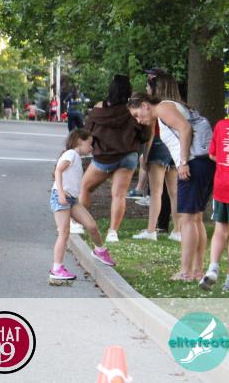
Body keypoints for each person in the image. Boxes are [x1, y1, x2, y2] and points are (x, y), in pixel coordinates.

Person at [128, 91, 214, 282]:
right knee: (196, 219)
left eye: (137, 115)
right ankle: (197, 271)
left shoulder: (163, 108)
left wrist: (183, 162)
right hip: (203, 163)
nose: (139, 120)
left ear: (145, 105)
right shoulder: (166, 109)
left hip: (193, 164)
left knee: (188, 219)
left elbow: (185, 129)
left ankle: (186, 272)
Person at [80, 75, 147, 243]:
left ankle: (79, 223)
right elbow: (144, 135)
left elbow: (87, 130)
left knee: (85, 187)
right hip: (128, 156)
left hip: (104, 157)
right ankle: (113, 232)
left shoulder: (99, 108)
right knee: (119, 195)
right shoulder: (132, 111)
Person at [50, 128, 116, 282]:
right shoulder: (71, 154)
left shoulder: (76, 157)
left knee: (92, 226)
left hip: (72, 199)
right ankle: (56, 268)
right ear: (80, 141)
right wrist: (61, 193)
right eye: (90, 143)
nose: (91, 147)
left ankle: (100, 251)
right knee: (64, 232)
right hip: (61, 197)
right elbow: (58, 171)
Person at [200, 85, 229, 292]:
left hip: (221, 185)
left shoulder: (221, 125)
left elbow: (212, 154)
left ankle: (212, 268)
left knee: (220, 228)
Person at [131, 70, 181, 242]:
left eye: (148, 85)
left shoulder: (155, 106)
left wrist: (145, 156)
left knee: (156, 192)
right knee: (174, 192)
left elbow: (152, 132)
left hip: (158, 146)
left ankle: (151, 230)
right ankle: (178, 231)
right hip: (174, 147)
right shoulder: (175, 104)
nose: (146, 88)